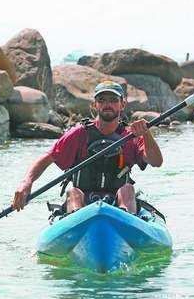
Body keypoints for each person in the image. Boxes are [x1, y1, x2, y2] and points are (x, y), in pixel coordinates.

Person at [12, 80, 163, 215]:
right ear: (94, 105)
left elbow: (156, 162)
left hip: (119, 204)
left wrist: (146, 134)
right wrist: (26, 183)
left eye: (113, 100)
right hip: (82, 203)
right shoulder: (79, 133)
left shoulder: (131, 136)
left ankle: (126, 223)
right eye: (102, 100)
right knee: (73, 191)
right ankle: (76, 221)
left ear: (122, 105)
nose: (107, 105)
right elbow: (46, 159)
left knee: (128, 189)